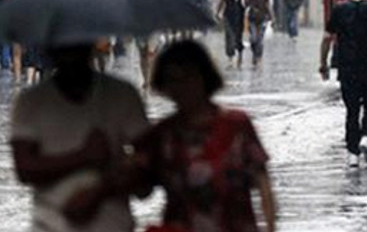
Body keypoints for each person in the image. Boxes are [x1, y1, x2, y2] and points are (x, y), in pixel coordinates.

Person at [63, 41, 277, 232]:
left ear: (204, 77)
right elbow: (141, 189)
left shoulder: (237, 125)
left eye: (188, 77)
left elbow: (262, 182)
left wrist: (270, 226)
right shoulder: (163, 135)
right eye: (173, 80)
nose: (182, 87)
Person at [11, 44, 149, 232]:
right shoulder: (31, 101)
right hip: (50, 226)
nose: (71, 54)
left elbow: (148, 171)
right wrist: (84, 156)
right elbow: (24, 168)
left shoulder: (122, 95)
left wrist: (100, 190)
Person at [319, 0, 367, 167]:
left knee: (352, 110)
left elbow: (326, 38)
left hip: (347, 67)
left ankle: (352, 154)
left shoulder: (340, 9)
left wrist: (323, 63)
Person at [217, 0, 246, 67]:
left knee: (238, 37)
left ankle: (240, 55)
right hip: (228, 17)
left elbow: (245, 3)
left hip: (239, 17)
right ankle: (230, 57)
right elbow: (221, 2)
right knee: (229, 36)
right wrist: (218, 12)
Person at [247, 0, 272, 69]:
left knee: (260, 40)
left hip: (262, 19)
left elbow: (267, 5)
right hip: (252, 19)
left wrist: (271, 17)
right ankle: (254, 54)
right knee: (253, 38)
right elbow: (246, 3)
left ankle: (258, 57)